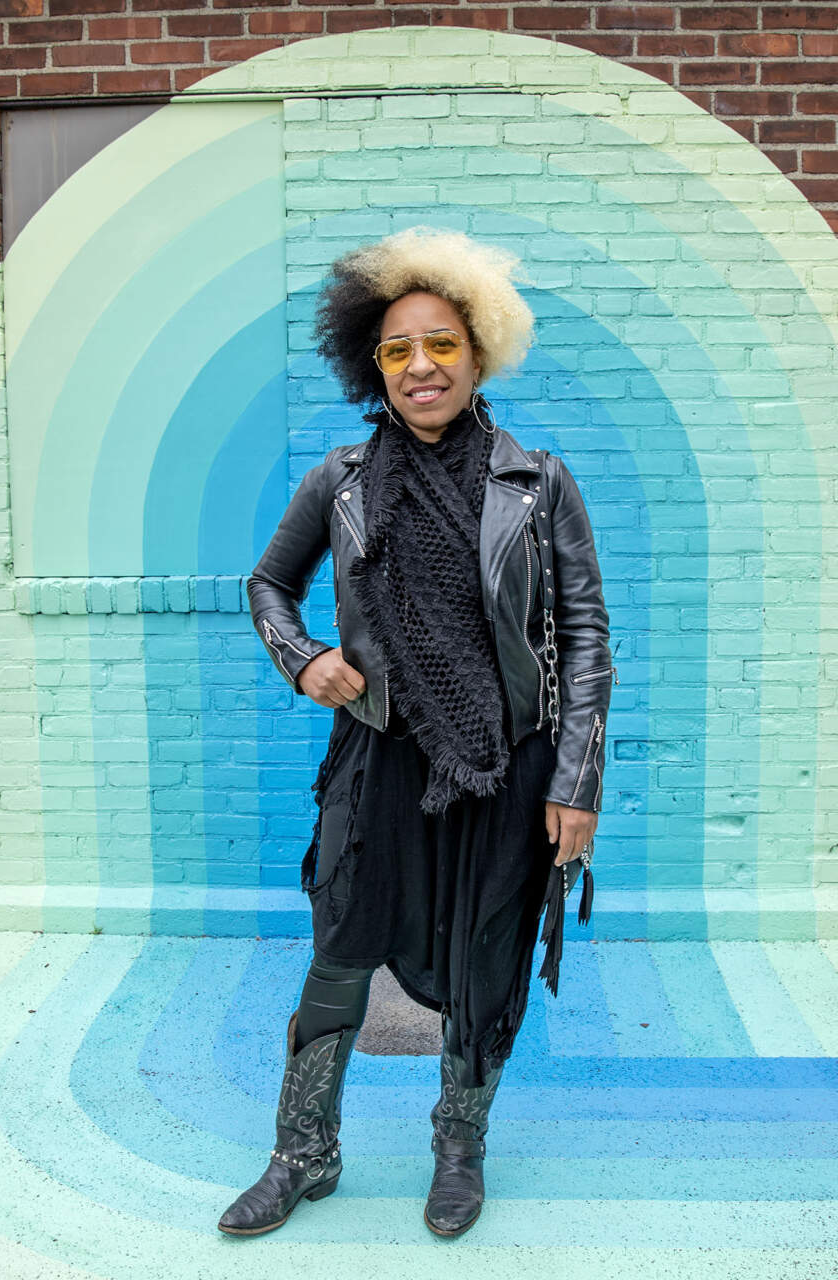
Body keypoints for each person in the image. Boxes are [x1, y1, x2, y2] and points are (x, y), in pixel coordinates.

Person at [222, 228, 611, 1240]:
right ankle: (303, 1150)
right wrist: (302, 656)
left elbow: (584, 632)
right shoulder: (342, 481)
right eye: (397, 351)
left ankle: (458, 1147)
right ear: (374, 366)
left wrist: (577, 780)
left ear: (477, 351)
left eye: (440, 344)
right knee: (339, 950)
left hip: (508, 771)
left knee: (486, 961)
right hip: (377, 755)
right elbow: (268, 583)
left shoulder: (539, 483)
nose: (420, 366)